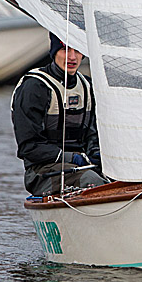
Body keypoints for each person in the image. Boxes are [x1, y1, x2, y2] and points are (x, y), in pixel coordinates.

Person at [11, 33, 107, 196]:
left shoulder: (87, 87)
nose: (72, 57)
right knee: (93, 181)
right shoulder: (34, 88)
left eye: (77, 50)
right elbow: (28, 148)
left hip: (84, 165)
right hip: (42, 172)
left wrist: (96, 153)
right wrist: (71, 158)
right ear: (54, 51)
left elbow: (93, 134)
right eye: (65, 49)